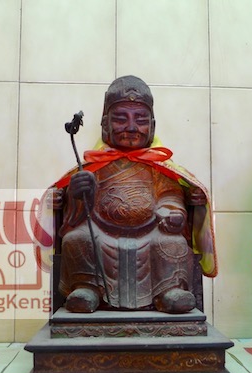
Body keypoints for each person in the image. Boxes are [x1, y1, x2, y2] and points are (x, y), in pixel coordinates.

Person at [48, 75, 216, 314]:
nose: (131, 127)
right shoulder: (94, 166)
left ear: (152, 126)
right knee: (77, 239)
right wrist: (76, 195)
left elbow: (170, 195)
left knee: (174, 243)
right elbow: (74, 214)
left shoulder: (159, 167)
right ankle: (88, 289)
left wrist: (172, 213)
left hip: (151, 232)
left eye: (140, 120)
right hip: (100, 232)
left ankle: (167, 291)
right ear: (105, 124)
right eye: (120, 119)